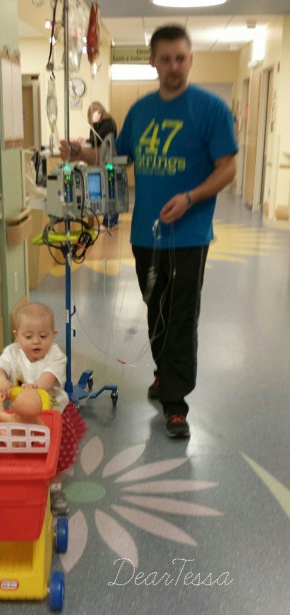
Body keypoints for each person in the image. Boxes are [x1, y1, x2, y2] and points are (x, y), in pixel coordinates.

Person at [60, 25, 237, 439]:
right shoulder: (141, 112)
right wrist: (79, 153)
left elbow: (227, 167)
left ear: (190, 60)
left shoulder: (210, 109)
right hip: (145, 235)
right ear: (153, 62)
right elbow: (115, 157)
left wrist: (191, 198)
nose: (174, 66)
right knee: (155, 309)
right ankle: (164, 376)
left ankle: (176, 404)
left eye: (181, 58)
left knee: (180, 317)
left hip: (189, 235)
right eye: (166, 59)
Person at [0, 302, 87, 514]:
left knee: (54, 455)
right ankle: (21, 480)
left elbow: (49, 377)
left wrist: (36, 388)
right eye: (28, 336)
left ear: (53, 334)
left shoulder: (56, 355)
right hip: (20, 416)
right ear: (17, 335)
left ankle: (55, 489)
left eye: (43, 336)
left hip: (52, 414)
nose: (36, 341)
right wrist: (0, 380)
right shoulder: (11, 353)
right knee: (19, 449)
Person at [84, 101, 119, 229]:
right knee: (107, 189)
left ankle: (109, 221)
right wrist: (85, 141)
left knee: (109, 190)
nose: (95, 115)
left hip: (108, 160)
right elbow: (93, 140)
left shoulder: (108, 123)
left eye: (96, 112)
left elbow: (98, 140)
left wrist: (86, 141)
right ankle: (110, 220)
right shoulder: (98, 124)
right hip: (102, 160)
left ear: (100, 112)